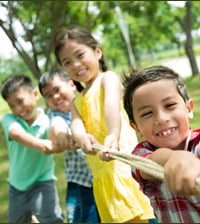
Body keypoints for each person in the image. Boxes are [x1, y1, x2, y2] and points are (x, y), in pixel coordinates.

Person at [122, 65, 200, 223]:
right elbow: (153, 161)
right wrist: (173, 158)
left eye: (169, 105)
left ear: (188, 109)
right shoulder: (141, 155)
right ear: (136, 127)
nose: (161, 118)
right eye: (147, 113)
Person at [53, 27, 156, 223]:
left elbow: (111, 106)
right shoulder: (76, 100)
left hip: (121, 166)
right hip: (100, 175)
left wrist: (113, 135)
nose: (76, 64)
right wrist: (81, 137)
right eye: (67, 62)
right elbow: (76, 124)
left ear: (97, 52)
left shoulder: (107, 79)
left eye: (80, 55)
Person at [38, 69, 100, 223]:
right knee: (82, 217)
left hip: (102, 172)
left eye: (57, 90)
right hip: (81, 179)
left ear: (72, 84)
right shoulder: (56, 114)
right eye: (48, 95)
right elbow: (57, 126)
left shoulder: (86, 102)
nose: (55, 97)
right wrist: (62, 137)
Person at [0, 74, 64, 223]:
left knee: (52, 220)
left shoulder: (48, 121)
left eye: (20, 101)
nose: (18, 109)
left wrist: (60, 144)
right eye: (12, 106)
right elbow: (16, 134)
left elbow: (56, 144)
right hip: (17, 186)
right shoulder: (9, 119)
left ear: (35, 94)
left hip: (43, 182)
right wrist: (41, 144)